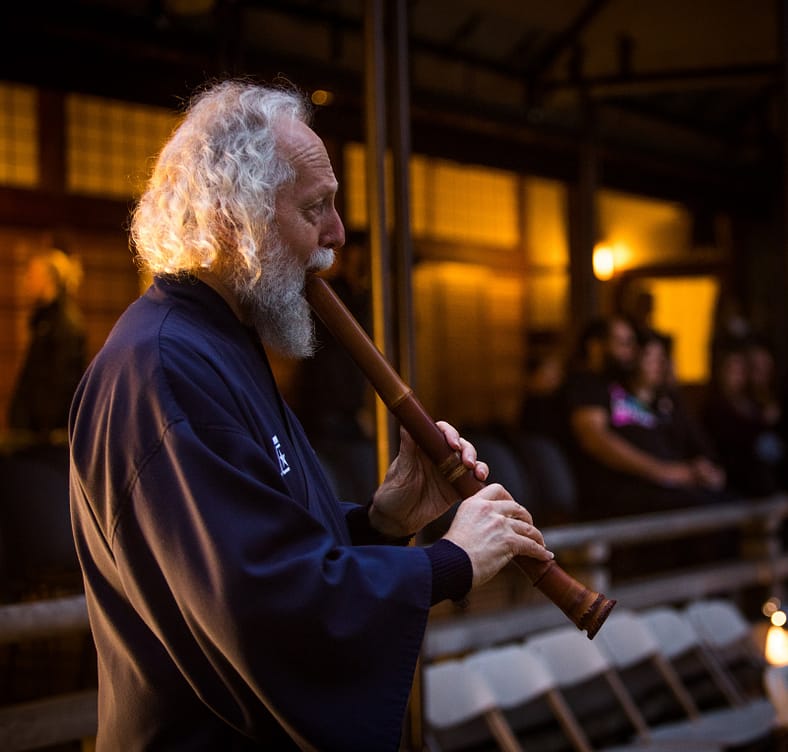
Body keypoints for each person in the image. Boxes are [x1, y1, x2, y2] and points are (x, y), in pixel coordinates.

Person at [68, 79, 553, 752]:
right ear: (236, 220)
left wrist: (383, 522)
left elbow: (266, 544)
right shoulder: (167, 367)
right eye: (315, 207)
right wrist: (450, 562)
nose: (337, 234)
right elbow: (259, 602)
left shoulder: (218, 344)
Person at [564, 316, 725, 520]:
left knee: (724, 504)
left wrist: (704, 469)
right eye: (622, 343)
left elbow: (696, 444)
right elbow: (594, 439)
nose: (627, 352)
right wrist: (665, 473)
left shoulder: (663, 400)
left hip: (668, 488)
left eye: (662, 357)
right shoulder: (591, 384)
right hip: (623, 492)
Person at [8, 247, 86, 443]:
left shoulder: (65, 322)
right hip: (34, 430)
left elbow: (63, 379)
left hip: (49, 435)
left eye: (32, 275)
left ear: (48, 279)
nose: (26, 281)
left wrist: (48, 426)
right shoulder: (44, 318)